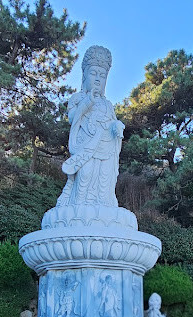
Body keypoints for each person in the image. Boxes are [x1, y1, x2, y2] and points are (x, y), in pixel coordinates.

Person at [56, 45, 125, 207]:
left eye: (102, 76)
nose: (98, 79)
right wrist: (87, 103)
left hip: (106, 147)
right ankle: (78, 204)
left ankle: (104, 204)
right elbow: (72, 118)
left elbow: (112, 122)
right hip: (85, 147)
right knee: (85, 174)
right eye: (93, 73)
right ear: (84, 75)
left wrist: (117, 126)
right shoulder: (78, 98)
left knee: (104, 177)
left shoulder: (108, 105)